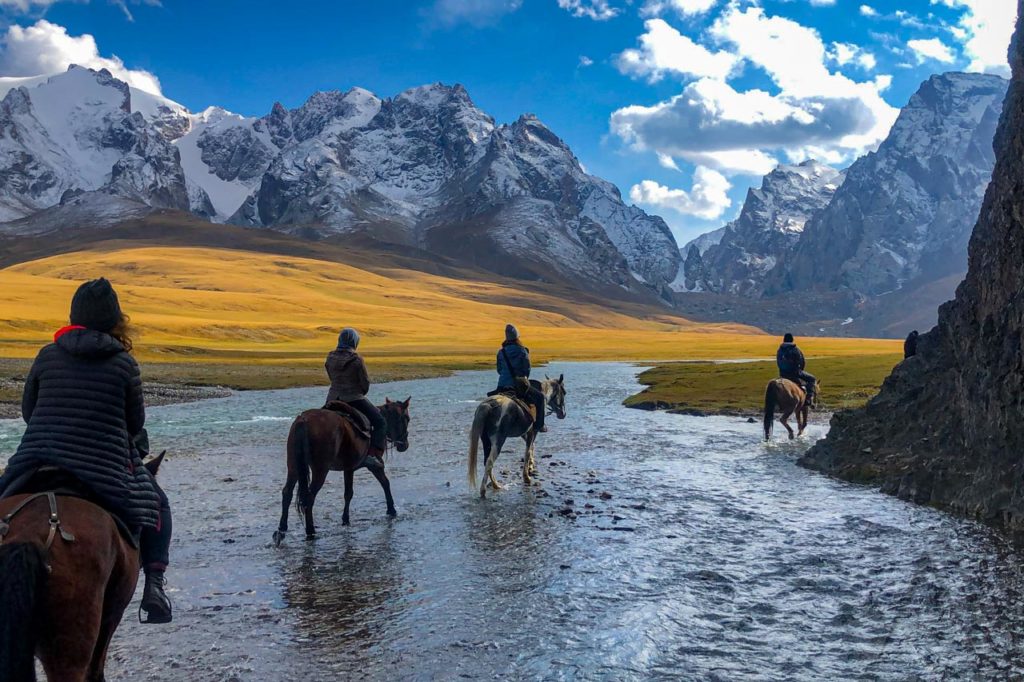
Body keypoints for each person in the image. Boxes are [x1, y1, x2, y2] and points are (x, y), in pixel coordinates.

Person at [0, 278, 173, 623]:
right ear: (114, 320)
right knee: (158, 506)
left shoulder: (47, 356)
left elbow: (28, 411)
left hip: (37, 459)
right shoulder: (124, 364)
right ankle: (154, 587)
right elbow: (134, 423)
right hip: (103, 467)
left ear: (74, 316)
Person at [325, 327, 386, 457]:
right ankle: (372, 455)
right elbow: (365, 382)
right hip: (354, 398)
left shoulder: (330, 357)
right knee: (380, 422)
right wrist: (360, 392)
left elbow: (331, 376)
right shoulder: (357, 359)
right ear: (355, 342)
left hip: (332, 398)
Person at [496, 324, 546, 433]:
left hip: (501, 386)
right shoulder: (522, 351)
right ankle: (539, 426)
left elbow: (499, 370)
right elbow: (526, 370)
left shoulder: (501, 352)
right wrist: (523, 379)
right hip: (517, 386)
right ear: (517, 337)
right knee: (540, 398)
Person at [776, 332, 817, 405]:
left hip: (783, 374)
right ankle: (808, 398)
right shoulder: (795, 349)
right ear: (792, 339)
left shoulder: (780, 350)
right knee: (812, 379)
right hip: (795, 373)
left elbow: (778, 362)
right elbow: (801, 361)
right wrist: (800, 370)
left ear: (784, 340)